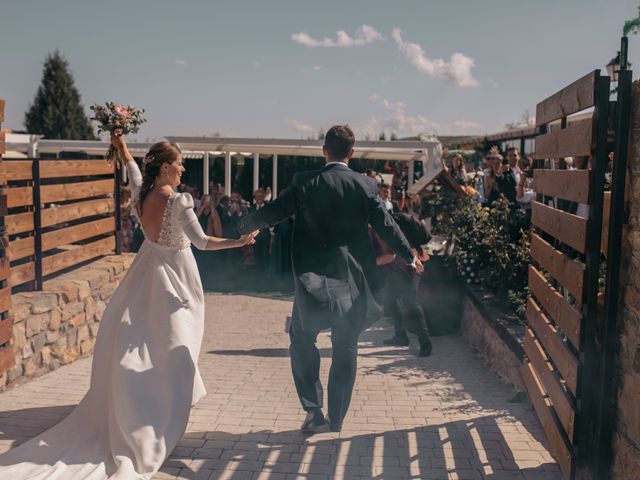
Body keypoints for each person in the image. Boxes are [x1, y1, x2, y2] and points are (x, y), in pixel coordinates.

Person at [0, 132, 257, 479]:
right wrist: (238, 241)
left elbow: (134, 172)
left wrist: (122, 149)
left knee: (148, 347)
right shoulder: (179, 202)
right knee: (174, 348)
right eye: (179, 164)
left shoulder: (142, 193)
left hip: (145, 273)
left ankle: (145, 407)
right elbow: (202, 242)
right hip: (175, 282)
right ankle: (157, 421)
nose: (183, 170)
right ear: (166, 168)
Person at [236, 125, 422, 434]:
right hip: (351, 280)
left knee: (301, 337)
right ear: (352, 153)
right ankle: (336, 419)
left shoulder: (305, 182)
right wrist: (410, 255)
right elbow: (387, 226)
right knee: (346, 346)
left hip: (312, 280)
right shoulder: (365, 186)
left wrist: (244, 226)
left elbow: (274, 211)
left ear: (324, 151)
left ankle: (312, 410)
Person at [375, 212, 433, 356]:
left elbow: (400, 244)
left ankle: (425, 342)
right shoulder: (381, 222)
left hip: (412, 264)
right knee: (389, 301)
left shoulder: (390, 221)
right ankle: (400, 336)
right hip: (397, 266)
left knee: (411, 303)